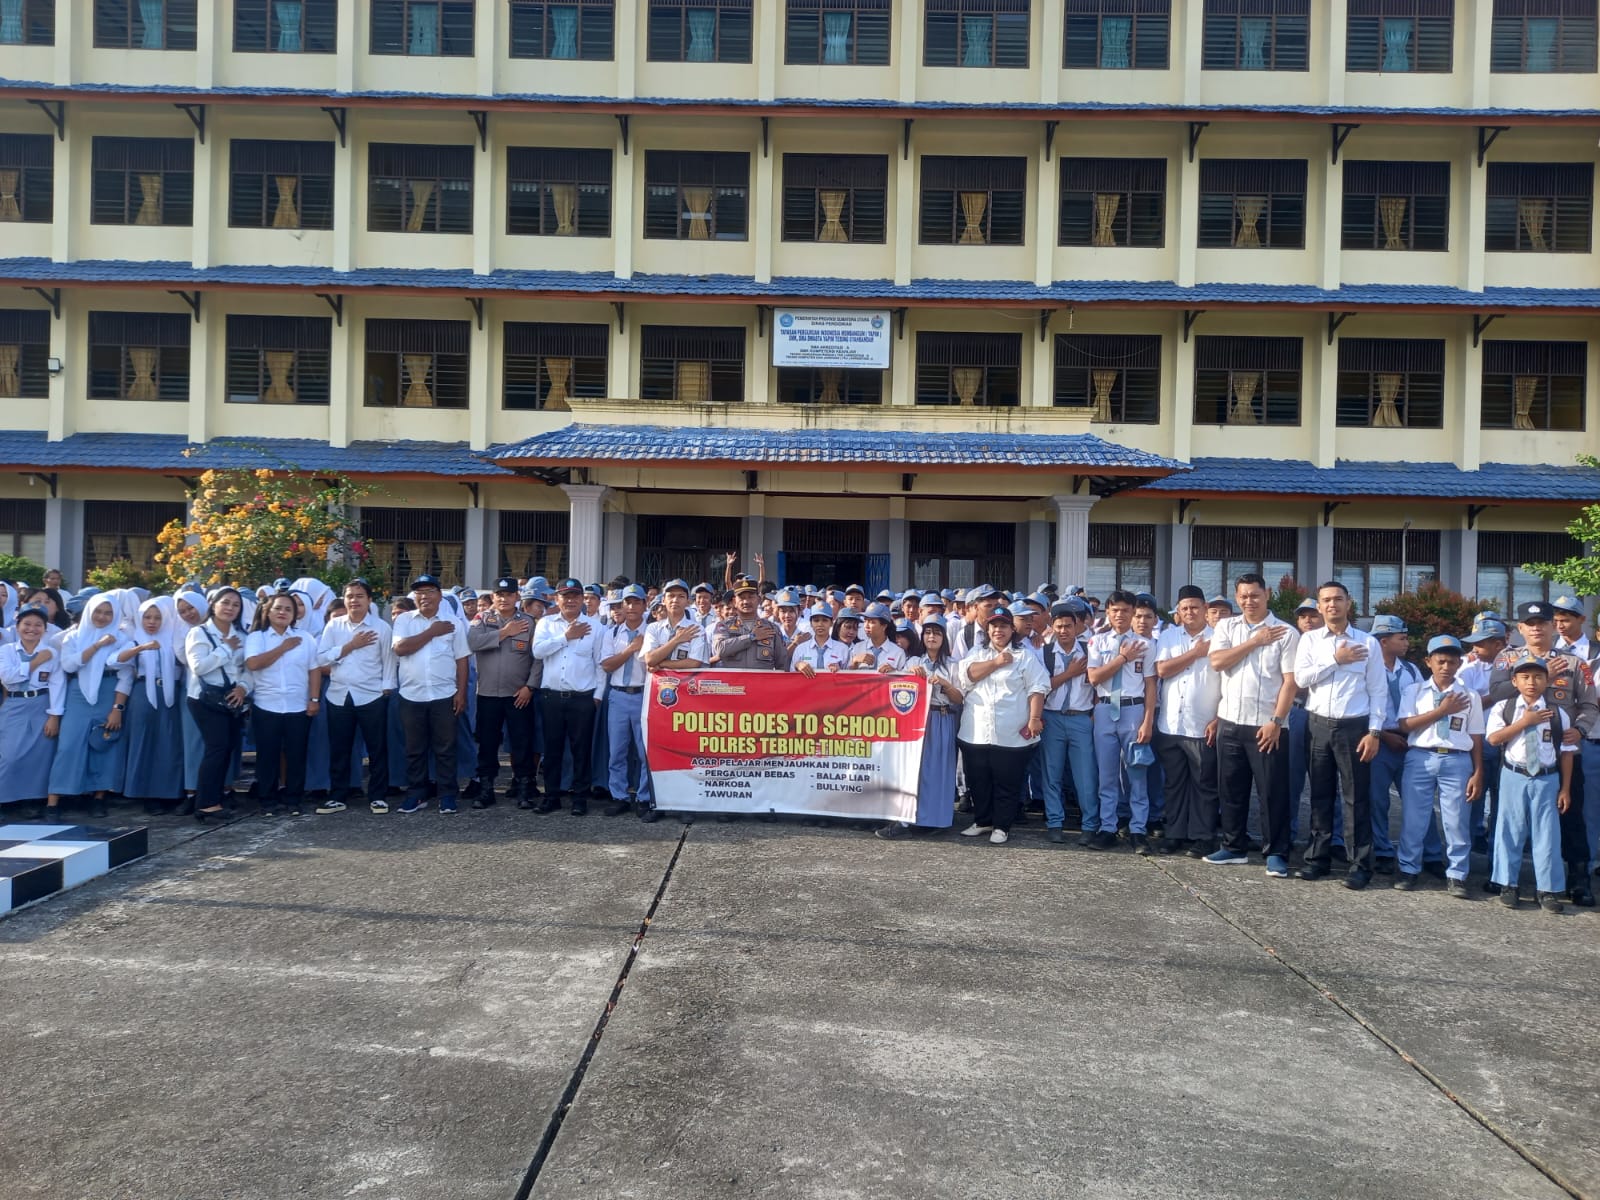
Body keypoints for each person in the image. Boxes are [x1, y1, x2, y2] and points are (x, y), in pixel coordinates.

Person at [1486, 601, 1597, 907]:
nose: (1536, 628)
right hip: (1517, 751)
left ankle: (1577, 880)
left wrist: (1582, 729)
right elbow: (1496, 694)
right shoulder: (1507, 658)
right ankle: (1505, 879)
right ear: (1520, 628)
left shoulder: (1576, 664)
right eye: (1529, 623)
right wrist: (1543, 672)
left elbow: (1589, 704)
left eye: (1543, 622)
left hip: (1562, 750)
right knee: (1508, 817)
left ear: (1553, 626)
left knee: (1570, 815)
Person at [1292, 581, 1386, 889]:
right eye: (1326, 600)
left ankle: (1359, 864)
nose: (1332, 605)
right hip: (1317, 723)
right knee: (1319, 794)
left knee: (1356, 798)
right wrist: (1336, 659)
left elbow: (1378, 691)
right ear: (1319, 607)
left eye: (1338, 599)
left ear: (1349, 604)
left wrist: (1374, 732)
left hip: (1354, 727)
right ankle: (1317, 859)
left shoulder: (1368, 643)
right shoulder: (1309, 641)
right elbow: (1302, 679)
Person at [1394, 635, 1483, 897]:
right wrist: (1442, 711)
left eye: (1452, 662)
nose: (1446, 666)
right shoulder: (1414, 691)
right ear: (1428, 662)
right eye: (1440, 661)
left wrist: (1478, 771)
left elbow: (1476, 735)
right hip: (1420, 756)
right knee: (1414, 818)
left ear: (1459, 664)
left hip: (1456, 759)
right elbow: (1404, 725)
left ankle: (1457, 874)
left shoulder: (1470, 695)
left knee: (1456, 820)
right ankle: (1409, 868)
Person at [1486, 653, 1575, 913]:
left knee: (1547, 834)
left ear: (1547, 680)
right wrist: (1524, 722)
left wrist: (1566, 788)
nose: (1532, 682)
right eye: (1525, 677)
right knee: (1509, 829)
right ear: (1514, 680)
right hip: (1514, 774)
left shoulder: (1558, 713)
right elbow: (1493, 739)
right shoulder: (1505, 708)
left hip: (1547, 777)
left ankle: (1546, 889)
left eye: (1538, 676)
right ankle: (1508, 884)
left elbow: (1567, 752)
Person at [955, 606, 1049, 845]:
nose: (999, 630)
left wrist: (1035, 718)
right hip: (975, 730)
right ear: (988, 629)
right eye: (994, 626)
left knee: (1007, 781)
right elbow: (966, 676)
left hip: (1010, 731)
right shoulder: (977, 651)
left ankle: (1002, 826)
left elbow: (1038, 687)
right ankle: (982, 820)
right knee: (978, 779)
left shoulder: (1024, 655)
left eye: (1004, 626)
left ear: (1011, 629)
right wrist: (996, 662)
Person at [45, 594, 136, 819]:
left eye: (108, 613)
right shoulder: (74, 637)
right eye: (98, 611)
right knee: (68, 745)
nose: (102, 617)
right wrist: (97, 645)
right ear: (89, 612)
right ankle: (54, 801)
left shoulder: (122, 638)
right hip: (78, 693)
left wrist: (118, 708)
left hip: (109, 691)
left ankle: (98, 798)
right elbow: (68, 664)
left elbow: (126, 676)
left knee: (104, 744)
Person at [1085, 590, 1158, 852]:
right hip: (1105, 709)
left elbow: (1150, 684)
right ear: (1107, 612)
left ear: (1132, 613)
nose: (1119, 615)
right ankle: (1108, 827)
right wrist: (1122, 658)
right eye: (1114, 610)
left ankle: (1138, 829)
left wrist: (1148, 720)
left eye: (1125, 610)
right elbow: (1094, 678)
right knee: (1106, 775)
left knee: (1137, 772)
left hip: (1133, 709)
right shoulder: (1097, 642)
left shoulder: (1146, 644)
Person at [392, 574, 471, 815]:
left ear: (439, 595)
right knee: (414, 749)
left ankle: (447, 795)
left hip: (444, 694)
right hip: (412, 695)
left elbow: (462, 660)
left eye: (429, 591)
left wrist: (461, 692)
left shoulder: (452, 622)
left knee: (446, 748)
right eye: (419, 592)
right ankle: (417, 794)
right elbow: (400, 648)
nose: (424, 596)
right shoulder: (404, 620)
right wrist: (432, 632)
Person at [879, 616, 963, 840]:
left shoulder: (954, 664)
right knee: (915, 770)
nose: (932, 637)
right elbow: (898, 688)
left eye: (936, 632)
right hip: (918, 720)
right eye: (927, 632)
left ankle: (936, 819)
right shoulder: (914, 662)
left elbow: (959, 698)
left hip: (942, 717)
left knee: (939, 771)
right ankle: (909, 818)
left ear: (944, 637)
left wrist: (944, 684)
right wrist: (891, 672)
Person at [1152, 586, 1221, 858]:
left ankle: (1203, 837)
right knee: (1174, 782)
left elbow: (1228, 681)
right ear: (1178, 612)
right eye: (1184, 608)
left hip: (1203, 724)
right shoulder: (1168, 636)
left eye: (1195, 607)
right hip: (1170, 724)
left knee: (1204, 783)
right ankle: (1175, 834)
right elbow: (1162, 670)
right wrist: (1195, 653)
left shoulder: (1220, 638)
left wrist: (1217, 718)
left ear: (1205, 609)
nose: (1190, 612)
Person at [317, 578, 396, 815]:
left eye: (360, 596)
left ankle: (378, 796)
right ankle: (338, 795)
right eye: (350, 596)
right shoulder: (334, 626)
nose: (354, 601)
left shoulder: (381, 627)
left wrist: (386, 687)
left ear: (369, 600)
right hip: (339, 694)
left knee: (377, 748)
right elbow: (321, 658)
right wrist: (349, 646)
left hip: (371, 695)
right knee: (339, 748)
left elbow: (388, 660)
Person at [1367, 614, 1434, 876]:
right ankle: (1383, 850)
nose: (1407, 643)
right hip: (1380, 740)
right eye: (1402, 638)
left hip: (1409, 742)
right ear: (1384, 641)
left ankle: (1430, 854)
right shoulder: (1367, 669)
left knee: (1418, 801)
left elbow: (1421, 705)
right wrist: (1384, 736)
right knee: (1377, 800)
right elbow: (1361, 709)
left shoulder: (1411, 670)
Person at [467, 578, 541, 810]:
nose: (503, 598)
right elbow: (472, 642)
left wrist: (530, 687)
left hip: (518, 693)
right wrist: (503, 633)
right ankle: (486, 789)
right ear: (493, 596)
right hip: (488, 693)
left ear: (516, 597)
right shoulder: (482, 620)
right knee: (488, 744)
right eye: (499, 594)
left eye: (508, 594)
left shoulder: (529, 622)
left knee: (521, 743)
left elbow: (537, 658)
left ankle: (523, 789)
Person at [244, 592, 320, 818]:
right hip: (267, 705)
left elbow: (314, 669)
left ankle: (293, 799)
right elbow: (254, 663)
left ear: (294, 615)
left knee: (296, 755)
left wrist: (314, 699)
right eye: (278, 608)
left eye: (288, 609)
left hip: (298, 706)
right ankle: (267, 800)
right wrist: (283, 647)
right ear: (268, 612)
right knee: (267, 756)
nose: (283, 612)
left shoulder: (305, 638)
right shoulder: (257, 637)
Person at [532, 578, 603, 816]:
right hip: (551, 696)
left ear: (583, 599)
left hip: (582, 697)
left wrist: (598, 696)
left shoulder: (596, 627)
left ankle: (580, 797)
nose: (570, 600)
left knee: (580, 749)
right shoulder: (546, 623)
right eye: (565, 596)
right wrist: (566, 636)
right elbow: (538, 652)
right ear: (556, 599)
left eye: (575, 596)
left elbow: (600, 666)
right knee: (552, 749)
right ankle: (551, 795)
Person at [1038, 599, 1097, 846]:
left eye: (1068, 626)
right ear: (1052, 627)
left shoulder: (1091, 651)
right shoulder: (1043, 653)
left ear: (1077, 627)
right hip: (1052, 718)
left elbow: (1098, 684)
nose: (1063, 631)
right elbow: (1041, 687)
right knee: (1051, 774)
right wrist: (1069, 674)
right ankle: (1054, 822)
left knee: (1086, 776)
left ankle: (1090, 824)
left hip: (1081, 718)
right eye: (1059, 626)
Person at [123, 596, 185, 814]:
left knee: (170, 742)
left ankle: (169, 792)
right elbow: (116, 660)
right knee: (144, 741)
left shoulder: (174, 637)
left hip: (170, 693)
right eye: (147, 617)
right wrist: (141, 648)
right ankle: (146, 793)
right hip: (142, 692)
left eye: (157, 617)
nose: (152, 621)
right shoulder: (133, 637)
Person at [599, 583, 655, 821]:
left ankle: (643, 797)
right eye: (627, 602)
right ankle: (619, 796)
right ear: (621, 605)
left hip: (644, 694)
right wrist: (631, 649)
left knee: (645, 753)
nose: (631, 607)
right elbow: (607, 665)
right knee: (617, 751)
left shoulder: (654, 632)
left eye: (636, 602)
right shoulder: (611, 632)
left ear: (645, 605)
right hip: (619, 695)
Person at [0, 605, 62, 815]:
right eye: (27, 624)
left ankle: (30, 799)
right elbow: (9, 678)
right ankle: (5, 798)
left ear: (45, 629)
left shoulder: (51, 653)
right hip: (14, 704)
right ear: (17, 626)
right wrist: (35, 662)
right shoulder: (6, 651)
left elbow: (57, 684)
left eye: (38, 625)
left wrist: (54, 715)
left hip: (41, 704)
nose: (32, 629)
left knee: (39, 754)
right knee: (10, 754)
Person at [712, 580, 790, 670]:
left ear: (759, 599)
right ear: (734, 602)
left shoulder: (772, 628)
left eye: (751, 597)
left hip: (762, 683)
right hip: (734, 683)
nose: (746, 601)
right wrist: (751, 637)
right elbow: (720, 649)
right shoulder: (724, 626)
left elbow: (782, 665)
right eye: (741, 598)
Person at [848, 603, 905, 672]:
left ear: (884, 626)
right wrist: (855, 662)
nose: (866, 625)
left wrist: (894, 672)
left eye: (872, 622)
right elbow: (846, 678)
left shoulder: (898, 652)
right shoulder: (857, 648)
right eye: (865, 620)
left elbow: (904, 680)